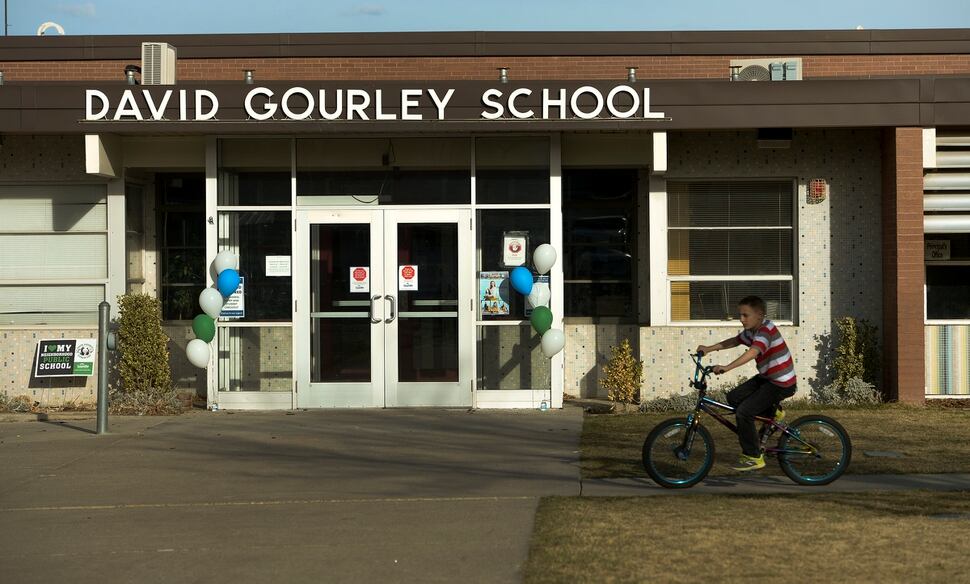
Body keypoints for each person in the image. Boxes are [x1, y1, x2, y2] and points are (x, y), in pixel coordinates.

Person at [696, 295, 797, 472]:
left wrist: (727, 367)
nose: (741, 319)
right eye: (740, 315)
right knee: (733, 397)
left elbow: (752, 352)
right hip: (768, 378)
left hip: (781, 383)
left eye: (745, 315)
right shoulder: (751, 330)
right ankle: (774, 413)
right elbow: (735, 341)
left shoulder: (766, 331)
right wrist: (709, 348)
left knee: (744, 413)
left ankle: (753, 456)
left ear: (759, 314)